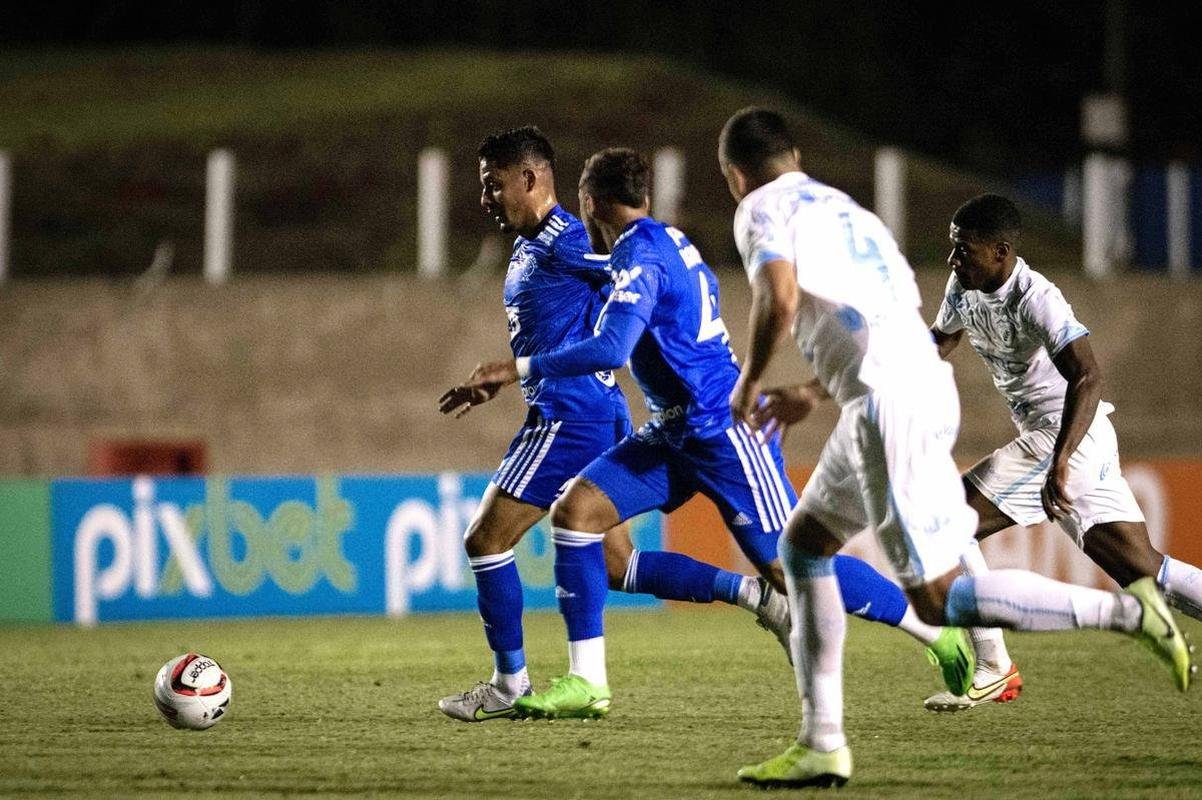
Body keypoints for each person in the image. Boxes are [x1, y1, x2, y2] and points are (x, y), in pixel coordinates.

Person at [718, 107, 1192, 789]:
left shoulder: (762, 209)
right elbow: (898, 330)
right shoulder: (849, 213)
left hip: (926, 410)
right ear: (793, 154)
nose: (958, 256)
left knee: (941, 593)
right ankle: (822, 741)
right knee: (803, 548)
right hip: (893, 395)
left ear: (735, 173)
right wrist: (816, 393)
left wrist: (753, 381)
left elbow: (781, 297)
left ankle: (1121, 612)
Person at [463, 146, 970, 721]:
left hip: (724, 431)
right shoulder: (652, 244)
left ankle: (933, 627)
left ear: (591, 202)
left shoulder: (643, 258)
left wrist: (515, 369)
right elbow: (616, 293)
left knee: (790, 565)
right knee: (577, 515)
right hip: (674, 429)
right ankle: (587, 683)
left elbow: (611, 348)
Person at [920, 193, 1202, 712]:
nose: (953, 260)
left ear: (1001, 252)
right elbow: (940, 341)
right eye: (953, 248)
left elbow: (1088, 375)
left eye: (965, 250)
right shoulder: (963, 284)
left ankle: (993, 667)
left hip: (1068, 434)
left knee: (946, 517)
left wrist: (1061, 460)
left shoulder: (1037, 298)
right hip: (1066, 438)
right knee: (1142, 569)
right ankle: (996, 667)